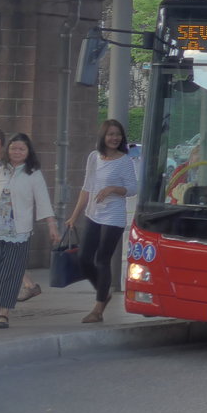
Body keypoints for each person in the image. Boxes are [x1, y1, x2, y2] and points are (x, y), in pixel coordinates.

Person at [65, 119, 138, 324]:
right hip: (93, 214)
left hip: (113, 217)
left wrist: (113, 189)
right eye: (110, 134)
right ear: (103, 137)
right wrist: (74, 216)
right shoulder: (94, 157)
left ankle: (97, 310)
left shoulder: (125, 161)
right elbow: (86, 188)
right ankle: (103, 292)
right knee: (84, 259)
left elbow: (132, 189)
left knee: (102, 260)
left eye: (118, 134)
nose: (114, 138)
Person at [0, 133, 61, 329]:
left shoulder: (33, 173)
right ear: (8, 150)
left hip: (19, 232)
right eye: (14, 148)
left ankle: (4, 313)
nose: (17, 152)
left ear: (28, 151)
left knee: (11, 273)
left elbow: (43, 201)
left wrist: (52, 225)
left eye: (21, 149)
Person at [0, 128, 42, 302]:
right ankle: (28, 286)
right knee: (5, 263)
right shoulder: (0, 164)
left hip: (12, 223)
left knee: (8, 263)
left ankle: (3, 305)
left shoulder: (3, 163)